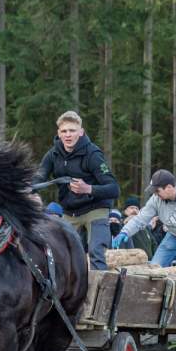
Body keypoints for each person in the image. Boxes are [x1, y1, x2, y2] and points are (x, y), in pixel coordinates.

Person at [33, 110, 120, 270]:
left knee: (95, 252)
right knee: (62, 254)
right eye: (64, 131)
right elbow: (40, 176)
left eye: (72, 130)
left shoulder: (93, 154)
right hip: (69, 212)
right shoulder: (52, 154)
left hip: (95, 209)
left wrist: (88, 188)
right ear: (58, 133)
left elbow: (114, 189)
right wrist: (29, 189)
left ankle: (99, 294)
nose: (68, 135)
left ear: (81, 132)